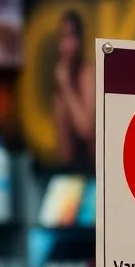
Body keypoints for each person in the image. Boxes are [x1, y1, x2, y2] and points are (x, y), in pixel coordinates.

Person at [53, 10, 94, 165]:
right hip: (72, 168)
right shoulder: (61, 77)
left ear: (79, 40)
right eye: (62, 38)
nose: (65, 46)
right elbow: (64, 149)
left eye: (69, 37)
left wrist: (68, 88)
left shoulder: (87, 74)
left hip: (92, 168)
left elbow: (86, 129)